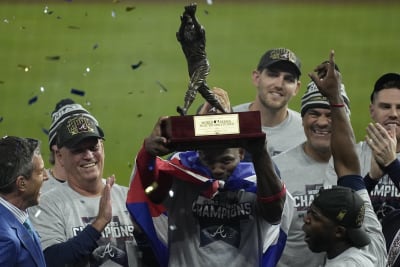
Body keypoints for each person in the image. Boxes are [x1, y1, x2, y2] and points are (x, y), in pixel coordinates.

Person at [126, 88, 294, 267]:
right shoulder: (180, 172)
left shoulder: (257, 176)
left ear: (241, 151)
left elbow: (275, 212)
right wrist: (148, 154)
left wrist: (261, 153)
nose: (218, 170)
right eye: (208, 160)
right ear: (196, 149)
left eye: (226, 160)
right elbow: (152, 193)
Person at [29, 110, 146, 267]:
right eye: (78, 150)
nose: (89, 155)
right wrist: (99, 223)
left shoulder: (128, 198)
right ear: (60, 157)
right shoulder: (46, 205)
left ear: (102, 149)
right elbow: (49, 260)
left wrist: (144, 238)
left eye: (93, 147)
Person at [302, 51, 386, 266]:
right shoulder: (370, 237)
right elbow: (348, 167)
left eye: (315, 216)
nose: (306, 220)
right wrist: (334, 99)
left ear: (339, 231)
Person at [273, 72, 352, 266]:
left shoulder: (358, 166)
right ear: (302, 119)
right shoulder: (277, 169)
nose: (322, 122)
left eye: (331, 115)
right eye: (314, 114)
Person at [232, 47, 305, 157]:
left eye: (288, 79)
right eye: (273, 75)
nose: (279, 85)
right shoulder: (229, 122)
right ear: (257, 78)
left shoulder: (306, 132)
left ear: (297, 88)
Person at [357, 73, 400, 221]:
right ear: (372, 110)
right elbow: (339, 215)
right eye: (385, 107)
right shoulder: (352, 156)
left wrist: (392, 165)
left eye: (399, 107)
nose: (393, 114)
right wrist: (371, 179)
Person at [0, 136, 47, 267]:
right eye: (40, 172)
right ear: (22, 183)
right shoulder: (6, 239)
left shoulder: (17, 214)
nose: (46, 177)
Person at [42, 98, 96, 193]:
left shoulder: (103, 189)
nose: (89, 156)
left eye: (93, 147)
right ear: (58, 152)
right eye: (78, 148)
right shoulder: (37, 192)